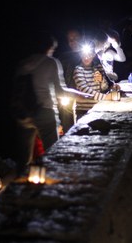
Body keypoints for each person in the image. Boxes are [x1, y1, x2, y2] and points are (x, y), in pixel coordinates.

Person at [11, 31, 90, 173]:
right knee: (52, 154)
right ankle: (52, 188)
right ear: (48, 48)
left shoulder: (22, 63)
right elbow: (61, 91)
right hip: (44, 112)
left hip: (22, 114)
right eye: (53, 49)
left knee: (24, 160)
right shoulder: (50, 62)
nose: (53, 52)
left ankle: (20, 189)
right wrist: (82, 95)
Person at [72, 41, 119, 121]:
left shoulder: (98, 67)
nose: (86, 57)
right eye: (84, 54)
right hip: (84, 110)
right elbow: (85, 91)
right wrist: (106, 97)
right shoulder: (78, 70)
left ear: (94, 55)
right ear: (80, 54)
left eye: (89, 54)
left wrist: (102, 81)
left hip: (99, 107)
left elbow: (104, 88)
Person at [57, 28, 83, 133]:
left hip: (84, 98)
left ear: (82, 38)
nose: (73, 42)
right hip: (67, 99)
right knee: (68, 127)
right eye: (70, 39)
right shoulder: (63, 57)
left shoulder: (89, 55)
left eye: (76, 38)